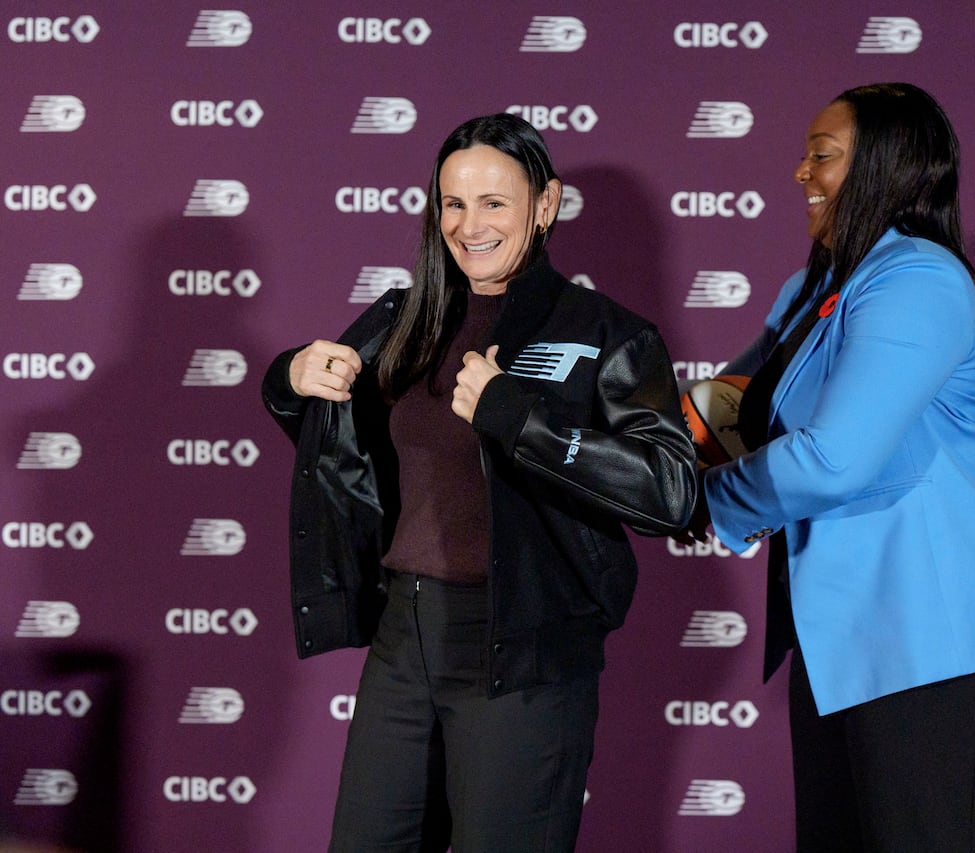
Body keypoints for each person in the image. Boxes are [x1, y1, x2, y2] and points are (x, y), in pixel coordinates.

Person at [262, 113, 696, 852]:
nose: (469, 226)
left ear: (545, 204)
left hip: (525, 646)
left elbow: (671, 490)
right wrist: (289, 377)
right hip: (404, 639)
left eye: (494, 202)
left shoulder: (606, 332)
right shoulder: (405, 318)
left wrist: (520, 419)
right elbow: (334, 439)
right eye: (453, 203)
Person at [681, 83, 975, 851]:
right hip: (842, 637)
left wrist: (699, 500)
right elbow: (726, 405)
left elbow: (832, 460)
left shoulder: (918, 279)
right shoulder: (813, 285)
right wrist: (600, 438)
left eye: (822, 156)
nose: (801, 172)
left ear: (886, 168)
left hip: (933, 634)